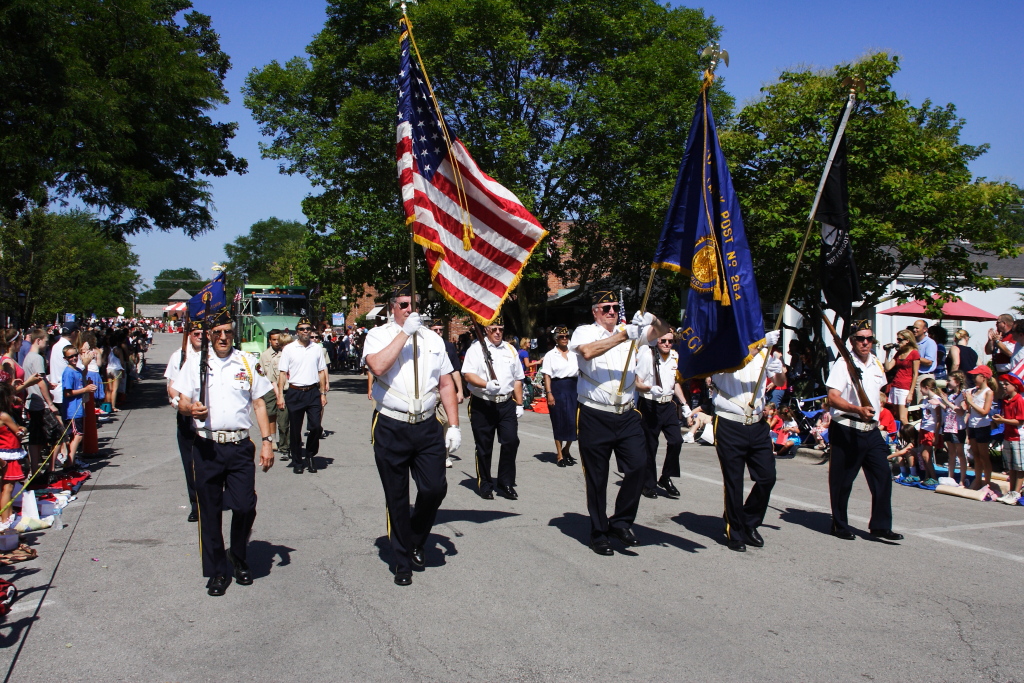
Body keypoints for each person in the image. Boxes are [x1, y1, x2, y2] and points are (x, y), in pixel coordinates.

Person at [362, 283, 461, 586]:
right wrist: (405, 333)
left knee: (434, 488)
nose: (409, 310)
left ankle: (416, 538)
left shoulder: (432, 339)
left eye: (413, 304)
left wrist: (454, 426)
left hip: (427, 424)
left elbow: (445, 383)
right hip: (392, 424)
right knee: (397, 495)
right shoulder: (378, 335)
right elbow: (377, 366)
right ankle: (402, 560)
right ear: (392, 307)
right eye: (403, 304)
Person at [173, 308, 275, 596]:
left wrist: (267, 441)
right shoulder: (196, 364)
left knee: (244, 506)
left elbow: (259, 403)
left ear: (234, 334)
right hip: (206, 446)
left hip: (240, 445)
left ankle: (239, 556)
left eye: (227, 332)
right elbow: (180, 401)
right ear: (208, 335)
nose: (222, 337)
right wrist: (190, 408)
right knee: (210, 511)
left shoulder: (246, 361)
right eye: (217, 332)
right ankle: (218, 571)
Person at [569, 291, 670, 555]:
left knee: (639, 466)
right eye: (606, 308)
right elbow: (588, 352)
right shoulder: (584, 332)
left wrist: (652, 319)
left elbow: (663, 331)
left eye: (615, 307)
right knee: (597, 477)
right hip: (594, 413)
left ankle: (621, 521)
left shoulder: (631, 331)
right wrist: (627, 334)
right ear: (595, 311)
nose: (612, 312)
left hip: (626, 414)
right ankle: (599, 531)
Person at [825, 321, 903, 542]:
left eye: (869, 338)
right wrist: (857, 409)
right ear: (852, 341)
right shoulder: (843, 365)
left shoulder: (876, 363)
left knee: (883, 476)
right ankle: (839, 524)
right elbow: (832, 397)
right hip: (847, 428)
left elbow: (879, 392)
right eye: (861, 338)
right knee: (843, 481)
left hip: (872, 430)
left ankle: (880, 525)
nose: (866, 342)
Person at [710, 330, 784, 551]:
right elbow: (733, 363)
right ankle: (735, 530)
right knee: (734, 481)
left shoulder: (763, 353)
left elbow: (780, 381)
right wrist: (760, 346)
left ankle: (750, 521)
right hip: (729, 422)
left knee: (767, 477)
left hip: (758, 423)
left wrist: (777, 369)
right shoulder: (722, 351)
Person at [462, 315, 525, 500]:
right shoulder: (476, 349)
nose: (498, 332)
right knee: (484, 446)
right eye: (494, 329)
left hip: (506, 403)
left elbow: (518, 379)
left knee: (511, 441)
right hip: (483, 403)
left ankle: (505, 482)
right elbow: (468, 375)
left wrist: (519, 404)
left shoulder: (510, 349)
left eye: (501, 329)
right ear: (486, 330)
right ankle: (485, 483)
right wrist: (485, 384)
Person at [635, 331, 683, 499]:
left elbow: (674, 382)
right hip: (649, 403)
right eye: (663, 340)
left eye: (670, 341)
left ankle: (666, 476)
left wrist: (685, 404)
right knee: (650, 445)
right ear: (657, 340)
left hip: (668, 404)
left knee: (677, 440)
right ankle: (648, 484)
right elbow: (637, 383)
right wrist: (649, 388)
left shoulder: (674, 356)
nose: (667, 344)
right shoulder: (647, 355)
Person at [278, 317, 328, 474]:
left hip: (313, 391)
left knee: (315, 427)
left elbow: (321, 371)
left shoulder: (317, 348)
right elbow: (282, 373)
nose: (305, 331)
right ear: (297, 331)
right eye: (302, 329)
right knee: (295, 429)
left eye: (308, 328)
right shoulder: (289, 349)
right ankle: (297, 460)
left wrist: (323, 393)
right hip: (295, 392)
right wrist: (280, 395)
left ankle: (311, 455)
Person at [165, 324, 204, 522]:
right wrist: (178, 401)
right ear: (190, 335)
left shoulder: (213, 355)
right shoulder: (179, 356)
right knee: (190, 462)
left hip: (208, 417)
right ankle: (195, 504)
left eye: (203, 333)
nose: (200, 336)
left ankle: (213, 498)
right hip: (187, 415)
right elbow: (171, 386)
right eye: (196, 333)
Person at [21, 329, 59, 478]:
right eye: (46, 341)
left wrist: (48, 384)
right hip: (40, 402)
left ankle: (35, 470)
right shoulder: (37, 358)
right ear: (38, 340)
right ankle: (51, 470)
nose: (47, 344)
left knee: (36, 438)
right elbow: (40, 381)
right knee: (58, 434)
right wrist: (50, 402)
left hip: (33, 401)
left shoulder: (28, 357)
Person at [540, 327, 579, 467]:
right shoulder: (551, 355)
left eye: (566, 336)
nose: (564, 338)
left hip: (573, 388)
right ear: (556, 339)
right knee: (559, 421)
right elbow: (547, 375)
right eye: (561, 336)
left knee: (573, 422)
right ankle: (560, 455)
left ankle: (567, 449)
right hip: (558, 388)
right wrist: (549, 393)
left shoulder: (575, 353)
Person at [428, 320, 464, 468]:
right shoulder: (424, 344)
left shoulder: (448, 346)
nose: (438, 333)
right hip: (430, 390)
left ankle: (445, 454)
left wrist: (460, 390)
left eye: (440, 330)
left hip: (445, 390)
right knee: (429, 422)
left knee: (446, 422)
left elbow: (455, 370)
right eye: (435, 330)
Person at [61, 344, 97, 470]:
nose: (74, 358)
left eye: (75, 355)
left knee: (77, 435)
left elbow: (82, 375)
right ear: (66, 358)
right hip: (72, 409)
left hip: (78, 408)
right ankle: (70, 462)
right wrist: (85, 389)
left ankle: (71, 460)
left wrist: (86, 363)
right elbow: (67, 392)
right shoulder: (68, 372)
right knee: (78, 434)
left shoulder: (77, 370)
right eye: (70, 357)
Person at [259, 329, 291, 463]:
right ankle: (272, 438)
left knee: (283, 418)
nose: (277, 342)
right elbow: (261, 373)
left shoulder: (287, 353)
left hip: (285, 389)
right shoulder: (265, 355)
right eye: (274, 340)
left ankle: (285, 446)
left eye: (279, 339)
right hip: (269, 388)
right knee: (271, 414)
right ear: (269, 340)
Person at [992, 373, 1024, 504]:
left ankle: (1016, 493)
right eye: (1003, 384)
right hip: (1008, 436)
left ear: (1015, 386)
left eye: (1006, 384)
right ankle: (1010, 491)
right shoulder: (1005, 400)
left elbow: (1020, 421)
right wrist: (1000, 420)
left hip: (1018, 436)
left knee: (1019, 467)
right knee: (1010, 466)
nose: (1004, 386)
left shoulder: (1019, 400)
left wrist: (1003, 420)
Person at [0, 385, 27, 531]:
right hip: (9, 454)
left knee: (4, 488)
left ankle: (7, 516)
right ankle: (5, 521)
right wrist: (24, 429)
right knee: (8, 489)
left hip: (3, 453)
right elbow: (18, 432)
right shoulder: (4, 415)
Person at [963, 365, 995, 491]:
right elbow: (970, 409)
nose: (973, 377)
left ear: (983, 377)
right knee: (975, 454)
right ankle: (977, 479)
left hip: (982, 426)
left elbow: (984, 411)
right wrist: (967, 401)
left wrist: (970, 402)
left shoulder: (988, 392)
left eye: (976, 375)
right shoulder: (974, 391)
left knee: (984, 455)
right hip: (972, 425)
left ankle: (987, 482)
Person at [936, 372, 969, 486]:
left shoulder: (962, 395)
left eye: (950, 380)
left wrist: (947, 402)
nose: (948, 382)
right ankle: (950, 477)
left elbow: (961, 411)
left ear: (957, 382)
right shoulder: (950, 394)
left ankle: (962, 479)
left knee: (960, 453)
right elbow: (947, 408)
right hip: (948, 426)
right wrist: (941, 402)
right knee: (951, 453)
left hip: (958, 427)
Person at [883, 329, 919, 427]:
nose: (898, 342)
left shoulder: (914, 353)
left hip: (905, 386)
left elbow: (915, 374)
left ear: (907, 340)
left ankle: (911, 438)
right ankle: (901, 438)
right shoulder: (899, 353)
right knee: (897, 416)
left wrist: (911, 393)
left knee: (903, 417)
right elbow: (888, 367)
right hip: (896, 385)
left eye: (900, 340)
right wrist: (887, 353)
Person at [916, 377, 942, 485]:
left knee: (926, 454)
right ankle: (927, 476)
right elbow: (924, 415)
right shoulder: (926, 399)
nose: (920, 391)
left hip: (931, 430)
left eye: (921, 388)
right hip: (924, 428)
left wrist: (936, 434)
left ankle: (934, 477)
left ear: (926, 387)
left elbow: (939, 419)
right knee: (923, 453)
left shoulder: (936, 400)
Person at [912, 319, 937, 394]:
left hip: (924, 376)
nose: (914, 330)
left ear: (925, 329)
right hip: (914, 375)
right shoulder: (914, 342)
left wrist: (914, 357)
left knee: (921, 402)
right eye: (914, 327)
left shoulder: (930, 343)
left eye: (917, 328)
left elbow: (929, 362)